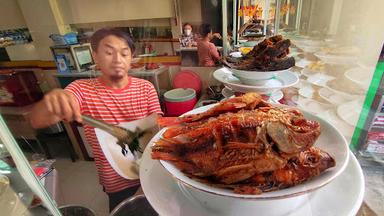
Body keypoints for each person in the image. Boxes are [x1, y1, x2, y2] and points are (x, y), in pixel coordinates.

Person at [28, 28, 162, 211]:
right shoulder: (82, 90)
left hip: (149, 171)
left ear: (132, 57)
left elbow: (158, 129)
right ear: (95, 56)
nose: (117, 59)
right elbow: (36, 121)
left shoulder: (146, 88)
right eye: (108, 52)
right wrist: (54, 100)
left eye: (124, 53)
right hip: (116, 181)